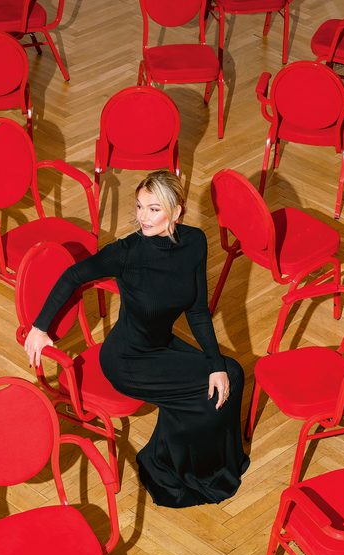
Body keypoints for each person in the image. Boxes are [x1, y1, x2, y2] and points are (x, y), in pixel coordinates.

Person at [24, 170, 249, 508]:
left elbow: (198, 311)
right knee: (207, 395)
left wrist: (215, 363)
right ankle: (178, 471)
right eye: (140, 207)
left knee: (230, 373)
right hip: (127, 360)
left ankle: (209, 465)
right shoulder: (127, 252)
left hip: (162, 345)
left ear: (177, 211)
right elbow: (73, 275)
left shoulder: (195, 242)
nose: (143, 217)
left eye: (154, 209)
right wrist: (40, 328)